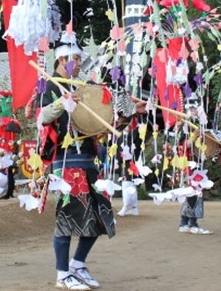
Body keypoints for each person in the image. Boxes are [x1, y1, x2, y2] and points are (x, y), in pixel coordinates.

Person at [37, 33, 145, 290]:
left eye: (79, 58)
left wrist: (127, 113)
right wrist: (63, 103)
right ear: (61, 59)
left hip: (88, 160)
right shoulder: (49, 85)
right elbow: (42, 117)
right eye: (72, 58)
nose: (77, 62)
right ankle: (62, 273)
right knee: (68, 216)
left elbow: (102, 123)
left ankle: (77, 264)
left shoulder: (85, 86)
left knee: (100, 215)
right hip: (66, 162)